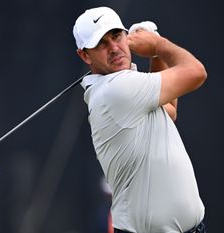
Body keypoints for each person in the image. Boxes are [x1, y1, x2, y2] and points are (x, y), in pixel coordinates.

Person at [73, 6, 207, 233]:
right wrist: (157, 44)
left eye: (116, 36)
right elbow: (196, 72)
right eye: (101, 44)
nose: (114, 48)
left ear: (127, 36)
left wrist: (155, 54)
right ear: (85, 55)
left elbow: (169, 111)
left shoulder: (126, 89)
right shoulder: (116, 90)